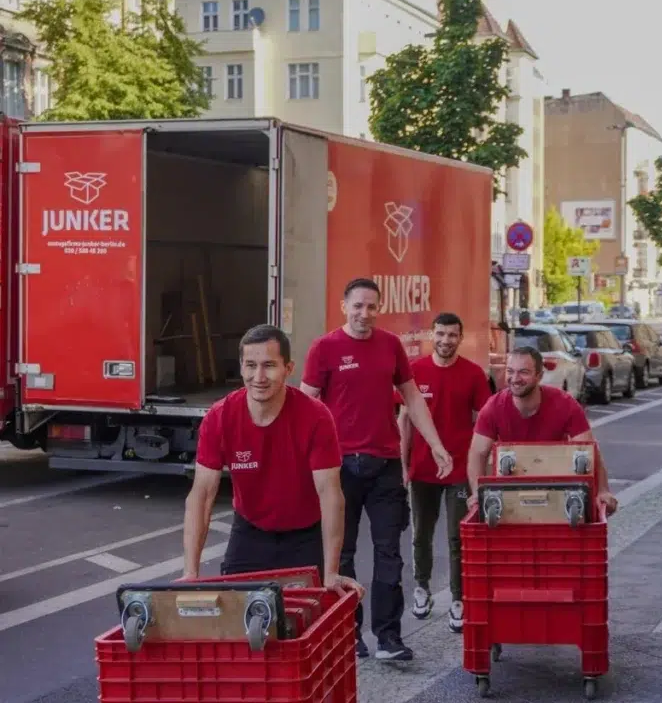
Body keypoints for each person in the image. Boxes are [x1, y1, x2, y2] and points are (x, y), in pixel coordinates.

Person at [300, 277, 453, 663]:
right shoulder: (324, 348)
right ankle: (348, 636)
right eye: (357, 306)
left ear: (378, 309)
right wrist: (302, 464)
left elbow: (413, 398)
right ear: (343, 306)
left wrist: (435, 445)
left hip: (385, 465)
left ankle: (388, 637)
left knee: (390, 554)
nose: (364, 314)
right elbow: (305, 408)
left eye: (371, 307)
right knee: (341, 555)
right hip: (339, 469)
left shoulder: (390, 346)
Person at [183, 323, 364, 600]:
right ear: (241, 368)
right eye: (250, 365)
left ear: (288, 369)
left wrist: (330, 571)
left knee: (305, 623)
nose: (259, 376)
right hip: (250, 532)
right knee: (239, 622)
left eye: (269, 365)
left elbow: (330, 494)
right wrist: (191, 573)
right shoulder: (220, 417)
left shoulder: (315, 416)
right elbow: (202, 495)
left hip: (305, 536)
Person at [397, 312, 491, 633]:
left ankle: (458, 599)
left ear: (460, 338)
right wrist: (404, 464)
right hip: (422, 470)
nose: (445, 340)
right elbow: (405, 421)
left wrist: (481, 471)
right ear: (431, 335)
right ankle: (421, 588)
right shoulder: (415, 371)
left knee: (457, 538)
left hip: (459, 472)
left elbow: (484, 424)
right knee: (421, 533)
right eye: (440, 334)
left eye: (452, 335)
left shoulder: (474, 374)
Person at [467, 344, 618, 515]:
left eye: (524, 372)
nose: (515, 378)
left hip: (557, 490)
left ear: (539, 375)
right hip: (511, 492)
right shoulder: (493, 407)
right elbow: (477, 453)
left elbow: (589, 450)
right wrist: (476, 492)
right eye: (510, 371)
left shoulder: (564, 404)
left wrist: (603, 490)